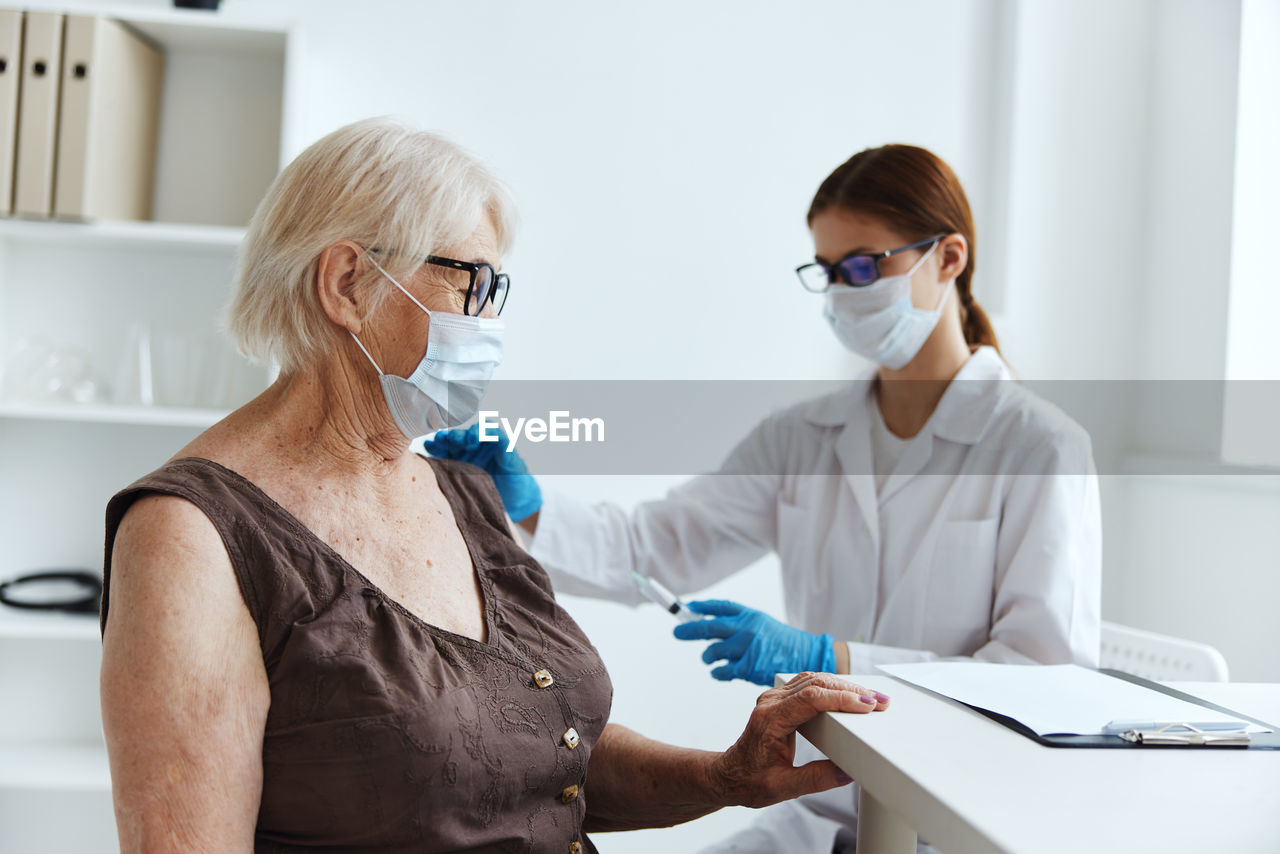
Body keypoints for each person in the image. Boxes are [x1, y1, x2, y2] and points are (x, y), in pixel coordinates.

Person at [97, 118, 889, 854]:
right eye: (470, 283)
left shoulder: (462, 494)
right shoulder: (192, 536)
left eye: (494, 293)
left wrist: (726, 777)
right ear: (345, 283)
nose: (487, 324)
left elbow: (539, 753)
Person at [426, 143, 1102, 851]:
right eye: (830, 271)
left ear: (950, 258)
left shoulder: (1040, 448)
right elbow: (653, 549)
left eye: (867, 265)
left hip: (965, 815)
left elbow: (1043, 682)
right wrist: (525, 502)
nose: (846, 290)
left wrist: (835, 660)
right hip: (829, 803)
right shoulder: (804, 438)